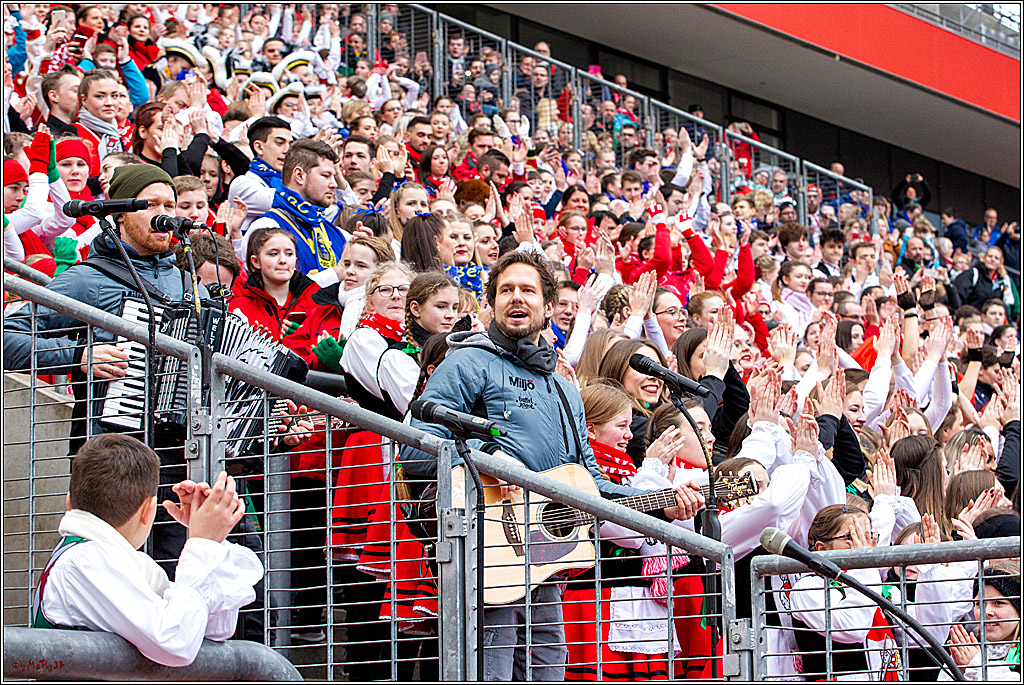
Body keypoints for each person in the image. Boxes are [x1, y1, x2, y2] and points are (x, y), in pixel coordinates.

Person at [402, 251, 704, 681]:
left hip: (542, 556)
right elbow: (416, 450)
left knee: (548, 665)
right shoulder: (466, 361)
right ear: (491, 304)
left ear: (547, 307)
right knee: (493, 665)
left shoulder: (564, 388)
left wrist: (660, 503)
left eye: (528, 290)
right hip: (484, 546)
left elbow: (591, 484)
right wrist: (488, 458)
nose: (516, 298)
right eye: (506, 290)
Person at [30, 433, 262, 667]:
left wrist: (209, 538)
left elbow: (211, 629)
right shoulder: (85, 560)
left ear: (69, 502)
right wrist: (202, 545)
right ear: (148, 510)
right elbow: (174, 642)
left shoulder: (116, 559)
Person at [247, 139, 347, 285]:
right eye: (325, 175)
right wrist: (335, 274)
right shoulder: (267, 227)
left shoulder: (336, 232)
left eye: (333, 176)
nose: (334, 184)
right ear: (299, 175)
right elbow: (273, 292)